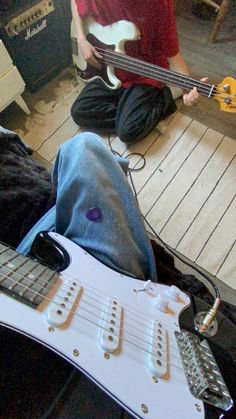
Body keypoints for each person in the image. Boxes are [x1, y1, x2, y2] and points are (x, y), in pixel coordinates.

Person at [71, 0, 207, 144]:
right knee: (79, 112)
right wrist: (81, 39)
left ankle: (166, 96)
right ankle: (140, 115)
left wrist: (187, 88)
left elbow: (173, 57)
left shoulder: (159, 4)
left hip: (145, 73)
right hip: (110, 70)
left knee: (127, 133)